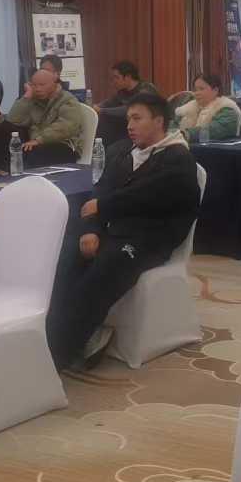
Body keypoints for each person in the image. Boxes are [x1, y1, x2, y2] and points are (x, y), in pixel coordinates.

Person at [47, 92, 200, 372]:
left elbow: (148, 195)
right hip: (112, 231)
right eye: (129, 118)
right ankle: (53, 337)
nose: (130, 125)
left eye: (137, 118)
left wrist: (103, 207)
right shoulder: (121, 151)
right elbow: (98, 193)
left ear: (159, 121)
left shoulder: (179, 159)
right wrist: (91, 230)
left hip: (148, 240)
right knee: (66, 257)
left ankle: (57, 353)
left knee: (103, 271)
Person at [7, 67, 90, 159]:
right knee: (13, 152)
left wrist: (39, 140)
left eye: (42, 85)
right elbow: (12, 121)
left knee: (33, 156)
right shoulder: (32, 101)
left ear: (54, 84)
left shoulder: (67, 100)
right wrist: (26, 97)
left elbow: (66, 127)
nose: (38, 89)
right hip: (37, 145)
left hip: (65, 145)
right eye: (34, 85)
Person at [174, 73, 241, 142]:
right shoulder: (189, 106)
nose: (196, 93)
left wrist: (186, 134)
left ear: (215, 90)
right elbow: (173, 124)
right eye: (195, 90)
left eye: (201, 89)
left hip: (213, 148)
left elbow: (213, 130)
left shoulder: (228, 108)